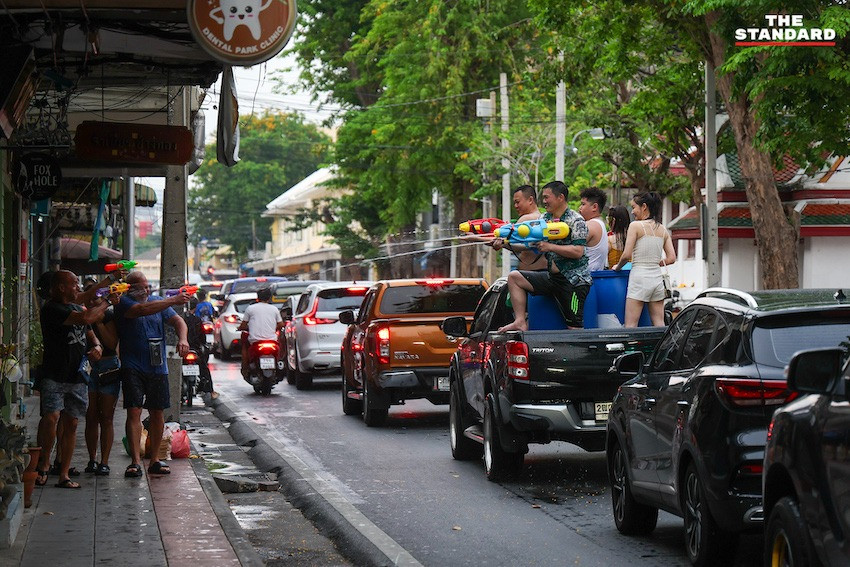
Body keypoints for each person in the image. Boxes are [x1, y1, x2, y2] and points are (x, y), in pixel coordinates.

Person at [35, 270, 109, 489]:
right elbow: (87, 318)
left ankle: (64, 474)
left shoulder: (76, 306)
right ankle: (44, 464)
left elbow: (89, 332)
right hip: (54, 373)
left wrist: (96, 346)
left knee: (73, 423)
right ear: (61, 287)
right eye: (74, 283)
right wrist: (107, 302)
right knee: (51, 418)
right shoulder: (52, 309)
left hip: (77, 375)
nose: (78, 287)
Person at [114, 271, 190, 478]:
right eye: (141, 287)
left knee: (157, 412)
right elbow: (140, 310)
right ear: (130, 289)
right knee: (134, 411)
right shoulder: (124, 303)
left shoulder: (158, 302)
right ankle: (135, 461)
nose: (146, 290)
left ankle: (155, 458)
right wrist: (173, 299)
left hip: (158, 367)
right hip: (132, 365)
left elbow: (178, 321)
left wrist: (183, 338)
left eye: (148, 286)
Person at [498, 181, 592, 332]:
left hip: (573, 281)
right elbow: (528, 246)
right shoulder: (544, 219)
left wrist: (550, 247)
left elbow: (578, 251)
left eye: (547, 197)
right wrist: (503, 244)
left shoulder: (576, 220)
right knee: (514, 277)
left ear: (560, 197)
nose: (544, 201)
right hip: (552, 278)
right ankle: (520, 321)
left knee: (574, 328)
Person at [613, 192, 677, 327]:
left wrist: (617, 267)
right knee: (659, 322)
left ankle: (631, 349)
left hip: (639, 278)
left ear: (644, 207)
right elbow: (671, 258)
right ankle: (662, 348)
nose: (632, 212)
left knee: (631, 324)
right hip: (657, 279)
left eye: (634, 207)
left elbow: (626, 255)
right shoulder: (663, 229)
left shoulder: (635, 226)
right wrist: (654, 263)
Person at [82, 282, 122, 476]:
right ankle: (91, 459)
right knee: (90, 416)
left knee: (106, 417)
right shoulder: (81, 316)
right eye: (88, 298)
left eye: (96, 298)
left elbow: (112, 343)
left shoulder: (109, 315)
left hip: (108, 366)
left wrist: (97, 320)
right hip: (88, 367)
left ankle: (104, 461)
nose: (92, 302)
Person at [489, 185, 547, 271]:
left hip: (531, 274)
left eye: (518, 202)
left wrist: (475, 238)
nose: (515, 206)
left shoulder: (527, 219)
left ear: (530, 200)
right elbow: (518, 245)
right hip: (536, 272)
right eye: (514, 203)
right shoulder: (540, 218)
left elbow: (503, 239)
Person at [237, 286, 284, 377]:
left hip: (255, 341)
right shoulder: (274, 309)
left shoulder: (250, 308)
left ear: (258, 298)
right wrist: (274, 328)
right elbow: (281, 325)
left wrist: (240, 328)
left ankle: (245, 367)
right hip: (272, 341)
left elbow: (243, 325)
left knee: (244, 346)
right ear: (269, 298)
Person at [183, 298, 217, 399]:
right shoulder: (196, 320)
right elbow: (202, 337)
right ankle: (210, 390)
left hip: (184, 348)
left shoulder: (181, 318)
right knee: (204, 368)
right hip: (194, 348)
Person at [578, 186, 609, 272]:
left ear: (594, 207)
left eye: (583, 204)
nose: (579, 208)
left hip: (586, 278)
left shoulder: (591, 225)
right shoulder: (600, 223)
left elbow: (572, 246)